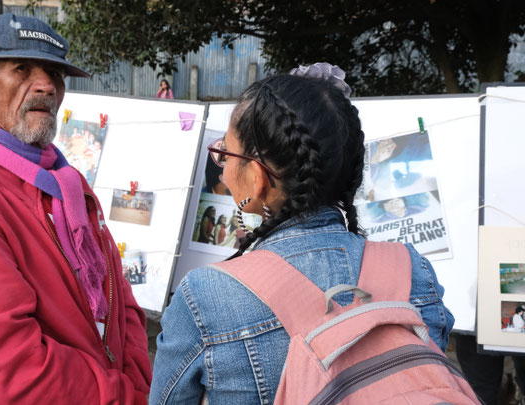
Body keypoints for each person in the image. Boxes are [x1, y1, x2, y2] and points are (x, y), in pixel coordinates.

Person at [150, 63, 455, 404]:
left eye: (226, 153)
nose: (223, 166)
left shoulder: (205, 296)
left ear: (258, 178)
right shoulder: (412, 270)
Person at [0, 13, 151, 404]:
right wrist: (126, 397)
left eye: (54, 73)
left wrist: (138, 380)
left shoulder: (67, 183)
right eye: (22, 69)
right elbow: (15, 366)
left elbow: (121, 300)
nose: (45, 85)